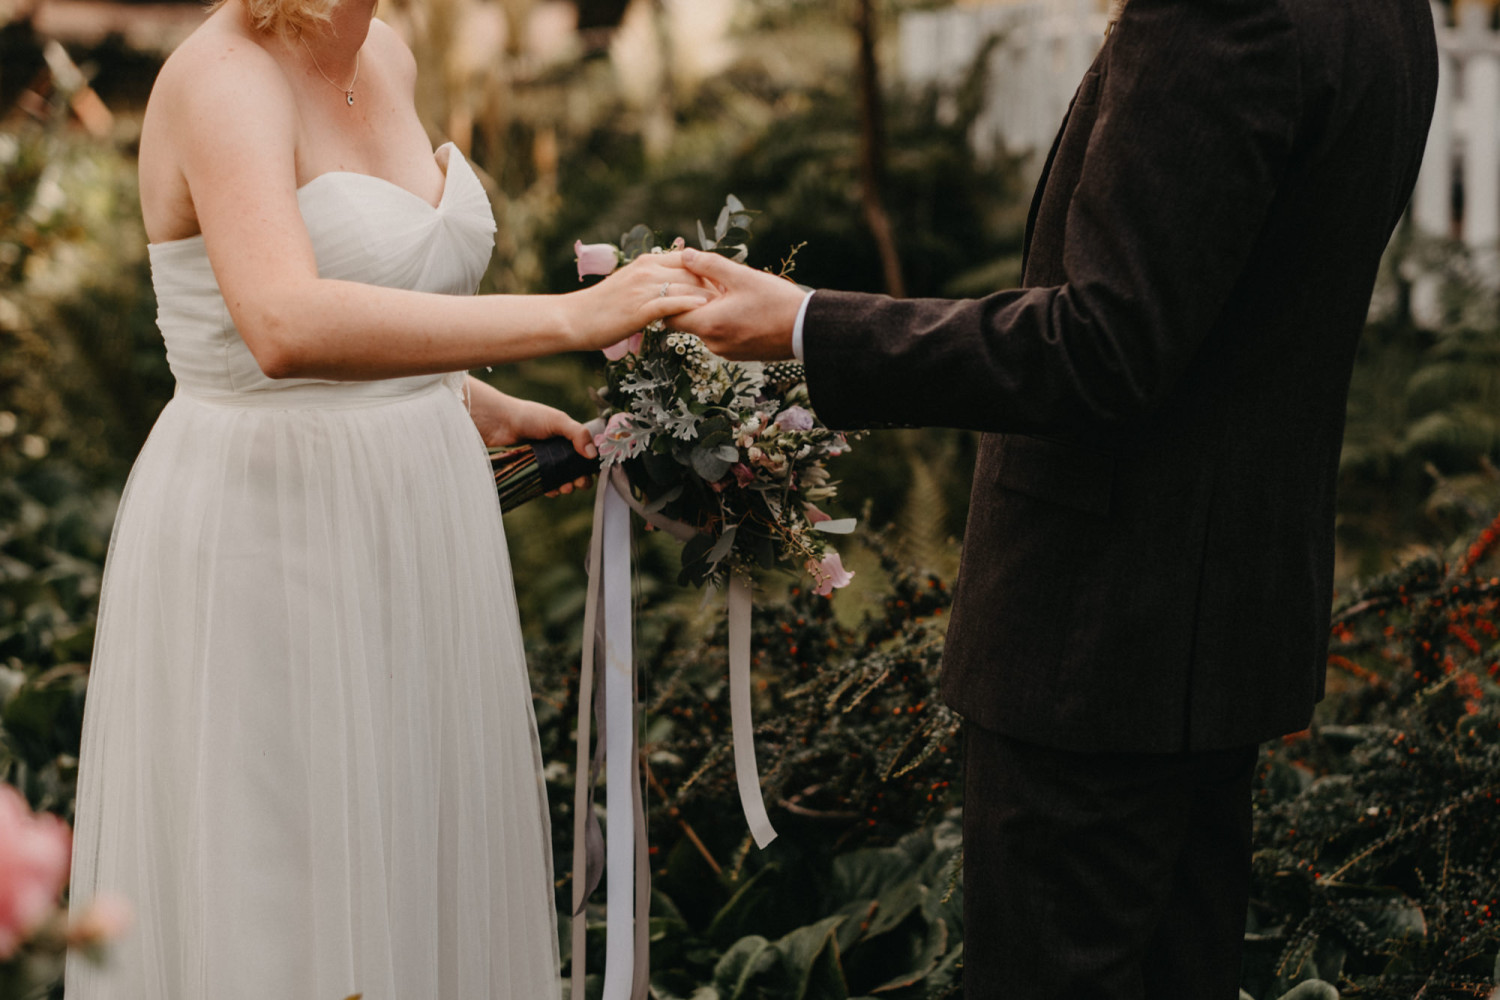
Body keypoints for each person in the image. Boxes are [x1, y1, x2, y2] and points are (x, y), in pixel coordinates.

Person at [670, 1, 1439, 996]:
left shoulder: (1218, 14)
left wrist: (810, 326)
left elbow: (1103, 347)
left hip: (1096, 642)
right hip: (1223, 625)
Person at [61, 0, 710, 994]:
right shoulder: (224, 76)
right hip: (272, 526)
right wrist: (574, 317)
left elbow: (371, 284)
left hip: (418, 512)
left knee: (409, 844)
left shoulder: (386, 52)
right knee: (296, 881)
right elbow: (279, 322)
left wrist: (472, 395)